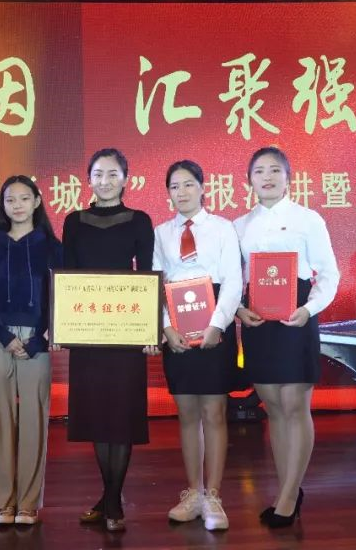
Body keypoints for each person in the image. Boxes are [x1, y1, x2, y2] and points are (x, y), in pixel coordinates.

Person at [233, 146, 340, 528]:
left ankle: (289, 496)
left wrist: (309, 309)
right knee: (274, 408)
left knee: (295, 405)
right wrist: (237, 310)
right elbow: (232, 278)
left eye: (275, 170)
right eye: (259, 171)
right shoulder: (239, 225)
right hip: (258, 321)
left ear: (289, 178)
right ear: (249, 180)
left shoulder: (308, 219)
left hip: (297, 317)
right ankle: (286, 489)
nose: (267, 177)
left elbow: (329, 274)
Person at [60, 148, 158, 532]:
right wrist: (64, 325)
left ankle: (113, 500)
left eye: (113, 174)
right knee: (98, 415)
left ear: (126, 179)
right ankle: (110, 497)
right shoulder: (74, 221)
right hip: (88, 331)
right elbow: (67, 276)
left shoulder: (139, 220)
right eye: (98, 174)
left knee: (122, 414)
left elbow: (147, 275)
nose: (105, 180)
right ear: (89, 179)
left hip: (126, 330)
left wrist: (150, 330)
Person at [153, 160, 242, 531]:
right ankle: (193, 493)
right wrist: (166, 327)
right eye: (174, 186)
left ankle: (214, 496)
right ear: (168, 193)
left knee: (214, 412)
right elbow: (155, 282)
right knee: (187, 413)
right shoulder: (160, 233)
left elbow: (234, 280)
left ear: (203, 187)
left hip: (213, 324)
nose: (182, 192)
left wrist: (218, 324)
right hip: (177, 327)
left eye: (188, 184)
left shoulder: (223, 228)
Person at [0, 175, 63, 526]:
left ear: (37, 201)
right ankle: (3, 501)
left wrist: (39, 340)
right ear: (2, 205)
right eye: (10, 199)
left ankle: (28, 502)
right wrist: (3, 336)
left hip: (37, 341)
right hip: (0, 339)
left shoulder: (52, 247)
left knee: (34, 418)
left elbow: (62, 297)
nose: (18, 205)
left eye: (25, 198)